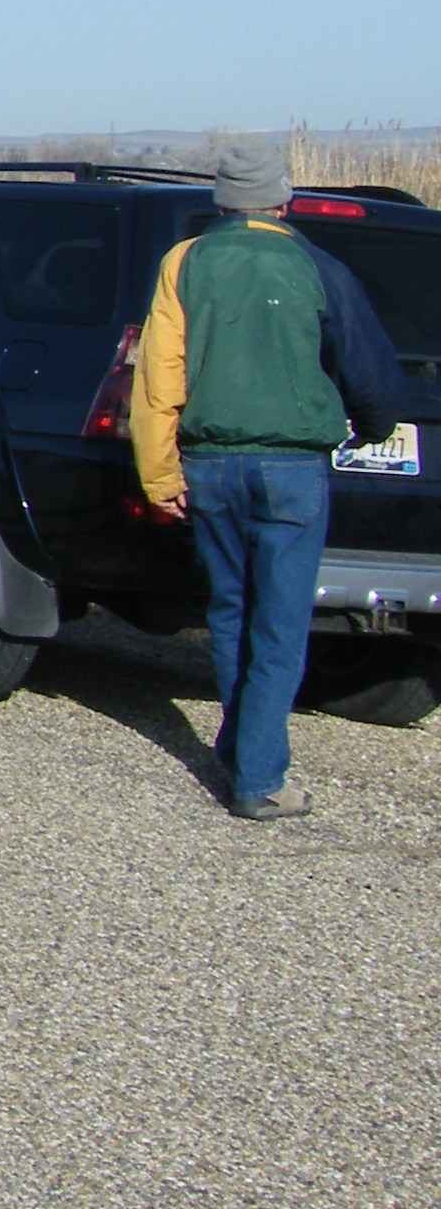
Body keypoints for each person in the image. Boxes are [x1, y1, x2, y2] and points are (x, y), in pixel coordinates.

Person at [131, 145, 402, 822]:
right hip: (291, 466)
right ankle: (260, 779)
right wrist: (373, 425)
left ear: (221, 204)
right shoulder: (319, 265)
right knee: (279, 623)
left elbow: (158, 377)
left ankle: (240, 748)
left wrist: (159, 471)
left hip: (209, 464)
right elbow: (366, 368)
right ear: (283, 202)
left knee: (230, 611)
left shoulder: (184, 261)